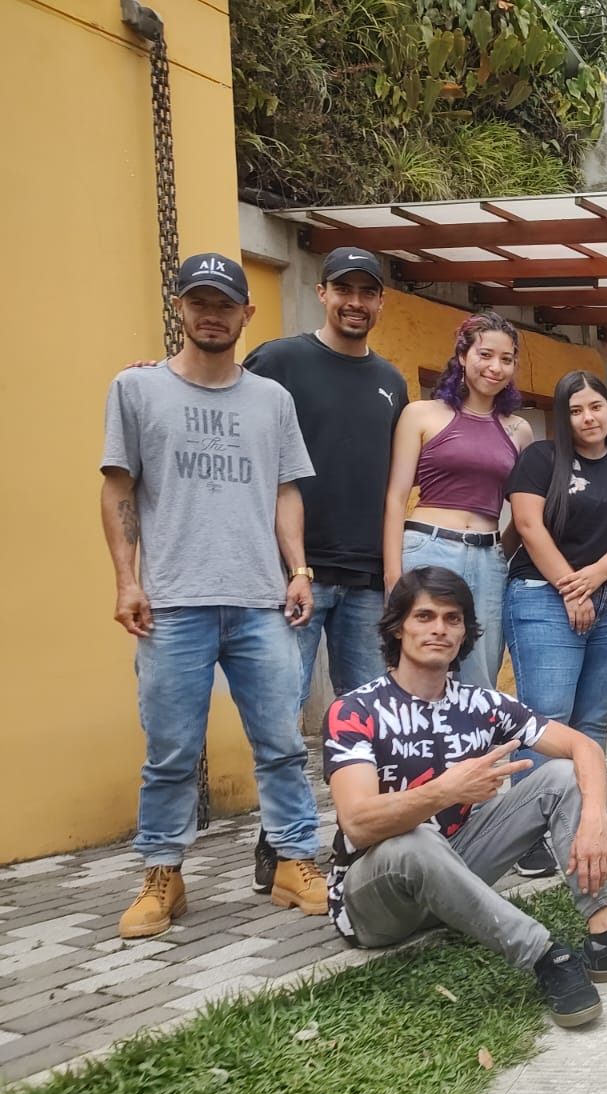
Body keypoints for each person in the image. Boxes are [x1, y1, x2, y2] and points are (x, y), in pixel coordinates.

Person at [323, 567, 607, 1029]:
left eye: (452, 618)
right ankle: (545, 956)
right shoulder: (356, 710)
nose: (439, 629)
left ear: (466, 633)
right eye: (424, 616)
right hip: (377, 897)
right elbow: (358, 823)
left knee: (561, 775)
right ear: (398, 627)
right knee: (413, 842)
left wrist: (596, 821)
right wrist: (447, 790)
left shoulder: (481, 705)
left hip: (454, 865)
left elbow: (582, 747)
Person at [100, 252, 327, 938]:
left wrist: (299, 569)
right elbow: (118, 488)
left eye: (225, 304)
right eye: (199, 302)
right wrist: (127, 580)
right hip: (172, 601)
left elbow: (287, 489)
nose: (211, 314)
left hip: (260, 599)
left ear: (246, 315)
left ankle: (294, 860)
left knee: (281, 742)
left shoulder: (272, 400)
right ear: (180, 307)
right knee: (170, 751)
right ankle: (163, 874)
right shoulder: (136, 391)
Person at [241, 246, 406, 894]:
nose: (356, 303)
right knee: (279, 720)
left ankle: (354, 840)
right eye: (345, 290)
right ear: (322, 291)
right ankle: (281, 846)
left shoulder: (392, 380)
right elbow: (224, 400)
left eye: (368, 292)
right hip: (292, 576)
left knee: (364, 725)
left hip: (368, 581)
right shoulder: (279, 360)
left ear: (380, 301)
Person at [503, 370, 607, 877]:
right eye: (575, 410)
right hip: (541, 597)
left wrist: (594, 579)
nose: (588, 418)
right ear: (562, 417)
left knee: (591, 724)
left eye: (596, 407)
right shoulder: (540, 459)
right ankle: (527, 835)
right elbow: (527, 526)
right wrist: (573, 586)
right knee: (545, 719)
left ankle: (583, 827)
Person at [383, 312, 535, 689]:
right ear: (463, 355)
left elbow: (526, 510)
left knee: (479, 671)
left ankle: (473, 747)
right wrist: (391, 575)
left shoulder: (519, 430)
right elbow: (396, 496)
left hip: (488, 558)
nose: (495, 367)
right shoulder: (421, 414)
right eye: (485, 355)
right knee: (420, 662)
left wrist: (499, 550)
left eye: (506, 359)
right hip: (427, 548)